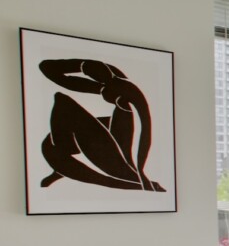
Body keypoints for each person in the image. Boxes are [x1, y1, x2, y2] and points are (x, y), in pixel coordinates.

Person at [37, 58, 166, 192]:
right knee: (66, 107)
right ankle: (64, 164)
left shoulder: (124, 94)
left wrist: (140, 172)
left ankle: (66, 160)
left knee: (63, 102)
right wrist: (94, 80)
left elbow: (144, 132)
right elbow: (48, 68)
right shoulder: (120, 88)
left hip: (117, 160)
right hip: (119, 153)